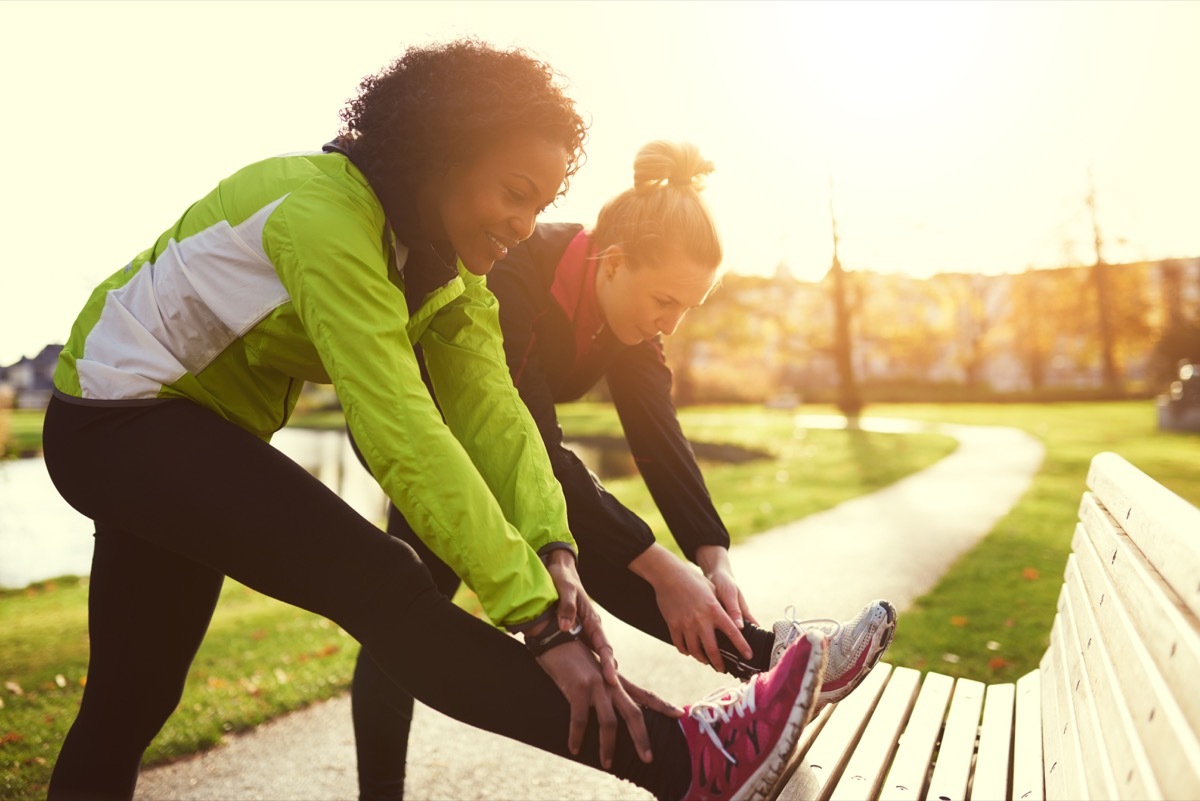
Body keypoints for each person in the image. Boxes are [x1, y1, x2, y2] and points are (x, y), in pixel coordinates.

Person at [41, 41, 831, 801]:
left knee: (131, 700)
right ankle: (690, 759)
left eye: (542, 205)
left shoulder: (439, 265)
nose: (526, 224)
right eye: (514, 192)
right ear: (442, 153)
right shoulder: (325, 219)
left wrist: (553, 555)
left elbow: (497, 416)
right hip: (118, 421)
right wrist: (536, 620)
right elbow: (403, 429)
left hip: (173, 434)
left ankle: (694, 757)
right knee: (384, 580)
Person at [348, 140, 898, 800]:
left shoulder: (629, 320)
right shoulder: (519, 270)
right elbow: (529, 446)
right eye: (665, 300)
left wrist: (709, 555)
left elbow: (658, 434)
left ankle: (765, 656)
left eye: (686, 309)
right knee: (408, 608)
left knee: (597, 555)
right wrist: (661, 565)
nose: (671, 321)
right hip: (432, 436)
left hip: (510, 450)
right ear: (611, 263)